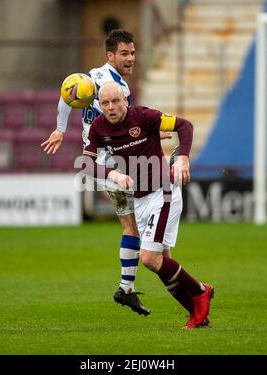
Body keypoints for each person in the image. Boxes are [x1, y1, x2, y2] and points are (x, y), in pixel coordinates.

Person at [41, 29, 158, 316]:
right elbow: (70, 98)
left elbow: (66, 94)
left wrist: (60, 128)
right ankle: (130, 285)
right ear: (111, 56)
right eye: (124, 54)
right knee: (142, 226)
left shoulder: (90, 76)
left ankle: (127, 288)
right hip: (110, 163)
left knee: (132, 228)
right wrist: (60, 128)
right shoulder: (112, 87)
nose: (131, 58)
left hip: (103, 163)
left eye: (133, 52)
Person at [81, 81, 214, 329]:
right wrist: (114, 174)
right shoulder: (98, 127)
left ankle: (201, 290)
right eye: (105, 103)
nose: (110, 107)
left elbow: (184, 125)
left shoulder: (144, 116)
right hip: (140, 199)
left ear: (125, 101)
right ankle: (197, 314)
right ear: (100, 105)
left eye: (115, 101)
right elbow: (86, 164)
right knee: (162, 261)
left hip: (162, 192)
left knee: (149, 259)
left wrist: (183, 158)